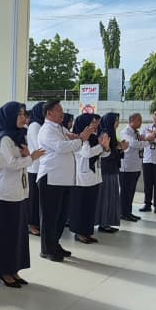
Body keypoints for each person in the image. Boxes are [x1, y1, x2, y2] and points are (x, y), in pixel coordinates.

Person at [0, 102, 42, 287]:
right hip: (6, 193)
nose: (23, 118)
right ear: (9, 116)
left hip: (19, 192)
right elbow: (9, 164)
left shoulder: (18, 136)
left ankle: (14, 269)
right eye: (18, 114)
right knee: (6, 235)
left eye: (23, 114)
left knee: (18, 235)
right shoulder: (4, 139)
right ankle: (4, 271)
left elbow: (20, 161)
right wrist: (30, 157)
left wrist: (26, 155)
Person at [37, 101, 97, 262]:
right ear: (49, 113)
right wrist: (80, 139)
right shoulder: (46, 130)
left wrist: (79, 138)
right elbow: (61, 147)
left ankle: (55, 244)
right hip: (51, 178)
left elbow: (74, 146)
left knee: (61, 216)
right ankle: (47, 249)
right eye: (58, 110)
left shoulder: (60, 128)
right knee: (50, 216)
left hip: (63, 178)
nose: (62, 113)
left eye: (62, 110)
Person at [67, 113, 111, 244]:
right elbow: (87, 152)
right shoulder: (79, 138)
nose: (95, 126)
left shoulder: (92, 137)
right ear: (84, 124)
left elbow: (104, 154)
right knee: (80, 207)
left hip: (94, 177)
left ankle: (87, 231)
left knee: (90, 207)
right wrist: (101, 146)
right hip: (82, 178)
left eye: (96, 123)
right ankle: (79, 233)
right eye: (93, 123)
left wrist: (106, 147)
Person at [96, 112, 125, 233]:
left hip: (111, 170)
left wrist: (121, 149)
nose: (117, 123)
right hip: (106, 171)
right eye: (116, 120)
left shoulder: (111, 134)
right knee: (106, 197)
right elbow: (105, 155)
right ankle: (103, 223)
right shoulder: (105, 134)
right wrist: (119, 149)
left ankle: (106, 222)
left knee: (110, 196)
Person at [25, 102, 47, 236]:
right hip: (34, 167)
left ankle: (36, 222)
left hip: (41, 166)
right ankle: (31, 224)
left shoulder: (41, 125)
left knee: (38, 198)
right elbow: (41, 146)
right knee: (33, 199)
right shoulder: (35, 126)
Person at [118, 113, 144, 222]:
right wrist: (147, 141)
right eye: (139, 120)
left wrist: (143, 141)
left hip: (135, 166)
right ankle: (122, 213)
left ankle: (128, 212)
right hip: (127, 167)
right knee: (125, 191)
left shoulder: (136, 132)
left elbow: (138, 143)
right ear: (131, 120)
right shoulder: (126, 132)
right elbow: (133, 144)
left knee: (131, 191)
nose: (141, 122)